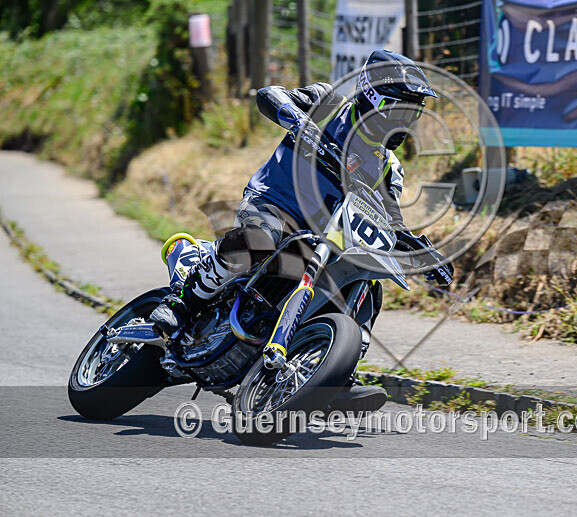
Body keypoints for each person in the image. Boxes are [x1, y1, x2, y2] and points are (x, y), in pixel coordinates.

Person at [149, 49, 453, 409]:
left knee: (367, 286)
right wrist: (299, 119)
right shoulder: (328, 104)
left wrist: (420, 252)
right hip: (273, 205)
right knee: (262, 239)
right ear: (374, 98)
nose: (406, 122)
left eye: (412, 114)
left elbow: (389, 221)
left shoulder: (389, 167)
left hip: (325, 239)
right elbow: (269, 96)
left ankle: (334, 370)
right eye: (401, 110)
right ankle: (183, 302)